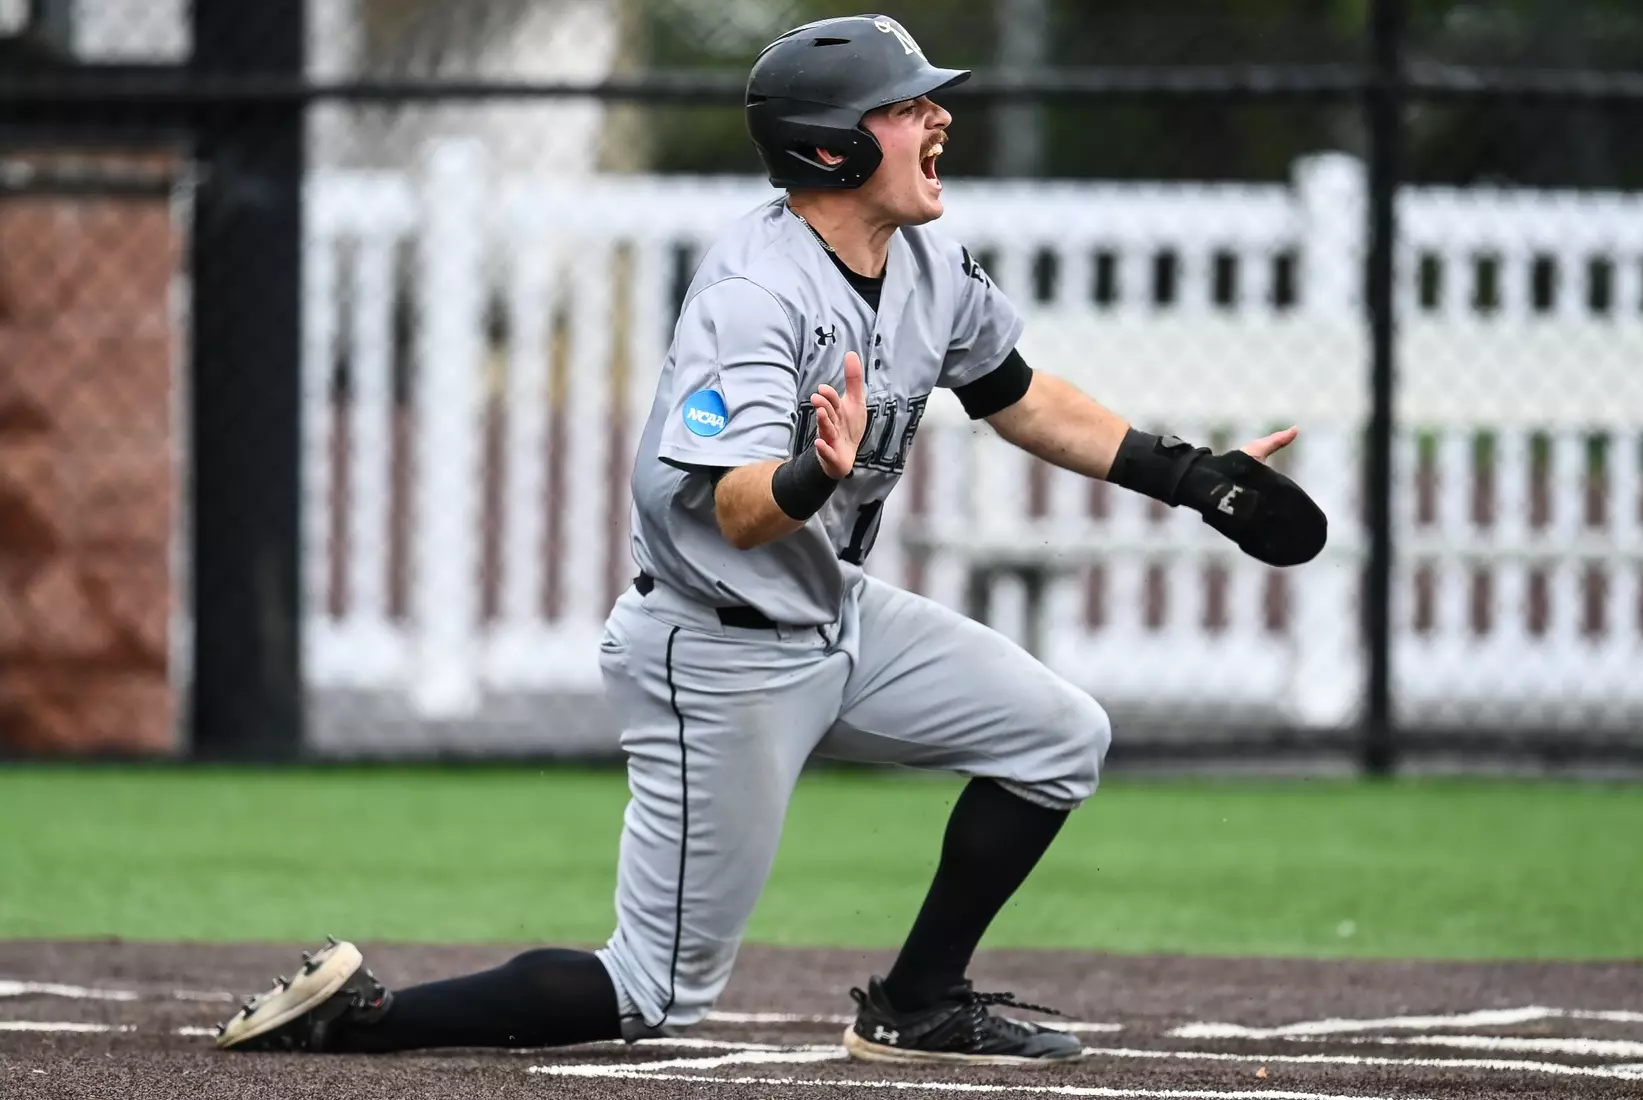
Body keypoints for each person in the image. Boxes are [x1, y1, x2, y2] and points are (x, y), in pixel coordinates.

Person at [213, 13, 1323, 1065]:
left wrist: (1187, 475)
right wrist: (809, 470)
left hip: (831, 611)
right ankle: (359, 1019)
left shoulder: (925, 262)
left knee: (1057, 736)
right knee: (652, 987)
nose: (936, 119)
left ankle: (918, 1003)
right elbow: (739, 508)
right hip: (717, 648)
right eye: (905, 108)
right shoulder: (756, 292)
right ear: (831, 148)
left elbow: (1016, 393)